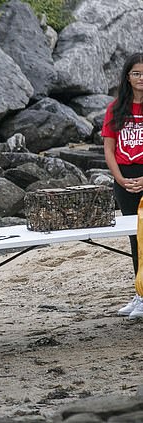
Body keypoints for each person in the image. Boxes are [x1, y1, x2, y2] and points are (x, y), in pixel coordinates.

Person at [102, 52, 143, 318]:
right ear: (127, 77)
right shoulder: (115, 108)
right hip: (124, 179)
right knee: (134, 237)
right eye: (136, 73)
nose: (141, 79)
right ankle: (140, 294)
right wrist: (119, 178)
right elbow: (108, 148)